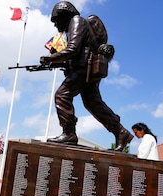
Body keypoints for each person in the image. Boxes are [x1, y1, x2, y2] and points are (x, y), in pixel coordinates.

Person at [39, 1, 133, 151]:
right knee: (94, 104)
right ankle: (120, 132)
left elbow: (73, 49)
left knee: (62, 95)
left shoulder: (75, 21)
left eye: (56, 20)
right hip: (87, 69)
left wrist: (51, 57)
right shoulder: (76, 24)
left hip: (84, 69)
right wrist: (57, 62)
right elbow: (79, 51)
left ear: (63, 15)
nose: (56, 25)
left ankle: (69, 133)